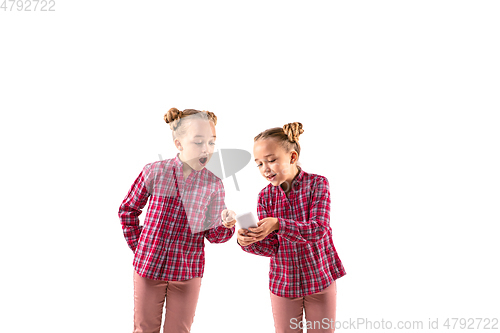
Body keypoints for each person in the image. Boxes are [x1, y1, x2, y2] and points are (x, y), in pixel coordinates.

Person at [118, 108, 236, 333]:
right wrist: (140, 246)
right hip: (149, 267)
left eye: (211, 143)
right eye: (198, 142)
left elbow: (214, 235)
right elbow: (128, 210)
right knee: (144, 328)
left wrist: (225, 224)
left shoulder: (213, 184)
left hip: (187, 272)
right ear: (179, 144)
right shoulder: (154, 172)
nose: (206, 149)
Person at [237, 122, 346, 333]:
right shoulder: (265, 197)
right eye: (259, 164)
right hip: (283, 284)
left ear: (292, 157)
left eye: (271, 160)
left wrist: (278, 223)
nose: (265, 169)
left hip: (319, 279)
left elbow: (318, 230)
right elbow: (271, 247)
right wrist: (248, 241)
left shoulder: (317, 184)